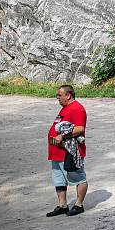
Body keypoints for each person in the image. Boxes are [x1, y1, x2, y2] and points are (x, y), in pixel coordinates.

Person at [46, 85, 88, 217]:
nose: (57, 97)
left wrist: (62, 136)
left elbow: (80, 128)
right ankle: (62, 205)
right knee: (59, 180)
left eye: (59, 95)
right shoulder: (65, 108)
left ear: (68, 95)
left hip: (70, 152)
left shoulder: (77, 108)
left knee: (78, 177)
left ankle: (78, 205)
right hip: (57, 152)